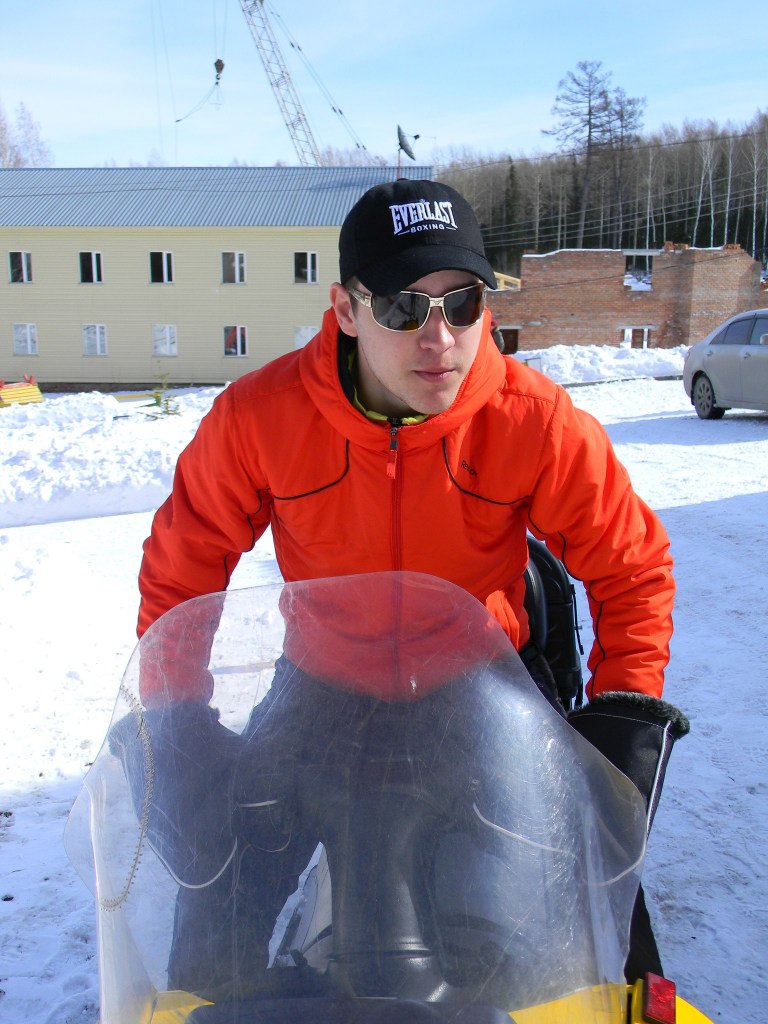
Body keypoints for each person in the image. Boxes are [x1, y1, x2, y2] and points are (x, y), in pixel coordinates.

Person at [135, 177, 688, 987]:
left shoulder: (531, 419)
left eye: (461, 303)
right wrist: (178, 721)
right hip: (323, 687)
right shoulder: (262, 417)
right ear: (347, 309)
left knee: (592, 882)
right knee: (218, 877)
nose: (439, 339)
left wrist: (622, 716)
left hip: (483, 686)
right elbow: (184, 568)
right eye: (402, 306)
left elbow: (631, 565)